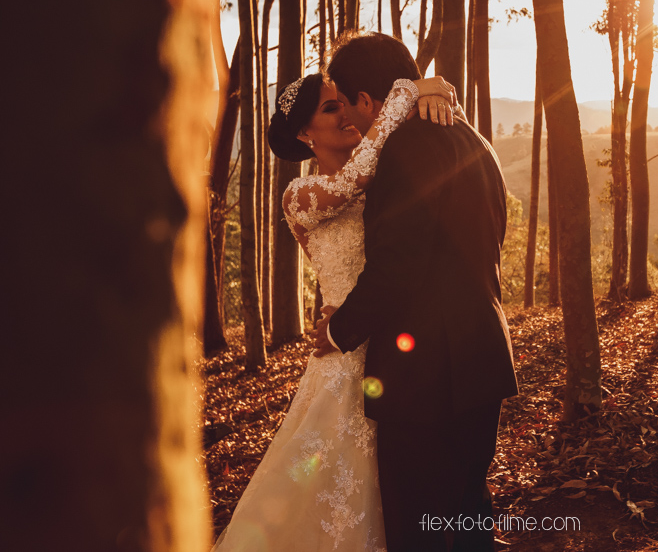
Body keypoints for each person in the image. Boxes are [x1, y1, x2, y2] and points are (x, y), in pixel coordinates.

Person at [211, 59, 460, 552]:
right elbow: (353, 183)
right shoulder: (299, 196)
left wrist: (432, 91)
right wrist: (408, 88)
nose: (345, 112)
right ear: (305, 133)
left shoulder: (390, 174)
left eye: (344, 101)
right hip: (344, 356)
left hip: (397, 348)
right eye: (331, 108)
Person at [316, 31, 519, 551]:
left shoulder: (405, 151)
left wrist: (338, 330)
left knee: (420, 526)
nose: (350, 122)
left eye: (347, 105)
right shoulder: (473, 139)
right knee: (469, 514)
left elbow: (397, 267)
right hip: (482, 358)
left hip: (427, 376)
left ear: (368, 100)